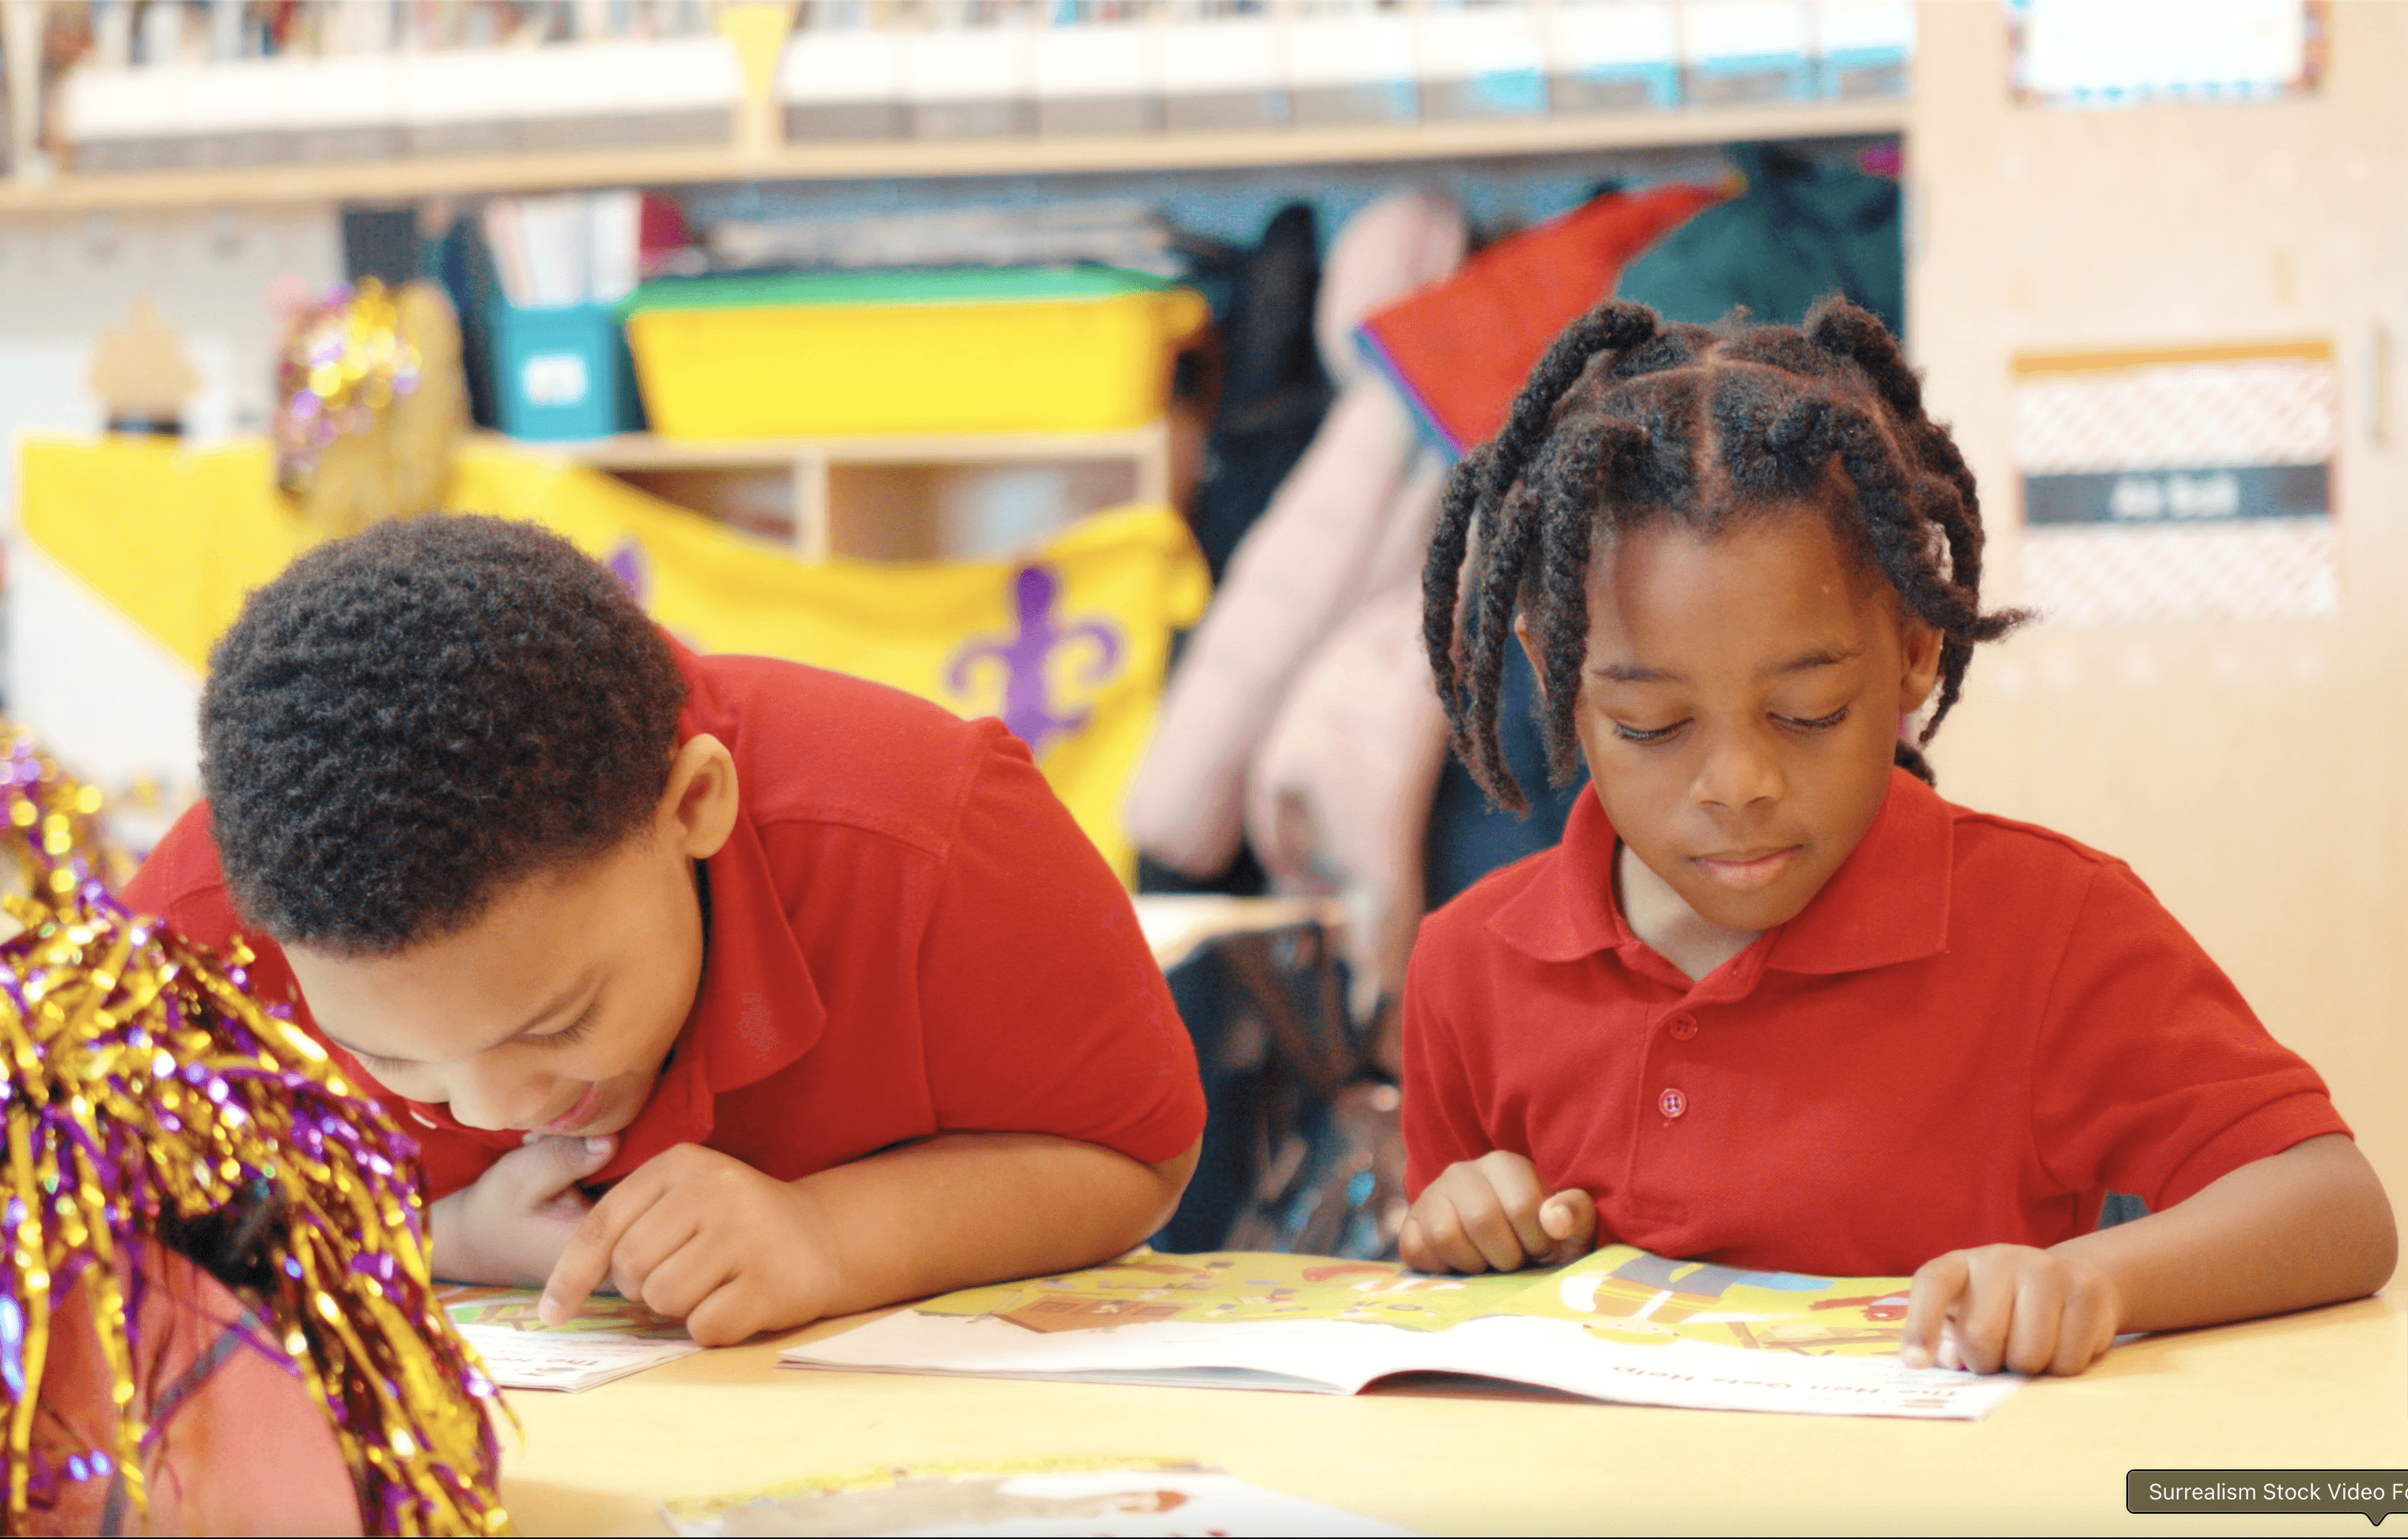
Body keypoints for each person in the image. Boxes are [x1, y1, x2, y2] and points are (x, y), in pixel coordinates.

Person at [1396, 297, 2395, 1377]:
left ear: (1916, 652)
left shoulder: (2050, 925)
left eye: (1809, 711)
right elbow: (1461, 1333)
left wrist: (2095, 1274)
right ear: (1560, 686)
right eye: (1653, 726)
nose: (1738, 785)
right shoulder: (1469, 964)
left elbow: (2336, 1211)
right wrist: (1456, 1228)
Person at [124, 516, 1203, 1348]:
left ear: (694, 805)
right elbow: (92, 1233)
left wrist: (831, 1236)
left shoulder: (926, 832)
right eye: (389, 1055)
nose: (500, 1108)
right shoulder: (194, 935)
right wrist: (437, 1239)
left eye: (562, 1018)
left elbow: (1138, 1152)